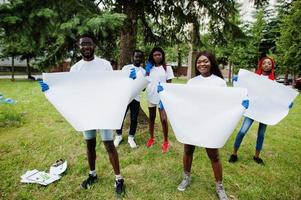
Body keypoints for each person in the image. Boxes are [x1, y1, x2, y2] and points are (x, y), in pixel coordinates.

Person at [38, 34, 131, 195]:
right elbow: (70, 91)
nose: (86, 46)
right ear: (79, 47)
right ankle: (92, 174)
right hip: (86, 111)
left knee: (109, 144)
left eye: (89, 44)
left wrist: (128, 80)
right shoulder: (76, 68)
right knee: (90, 144)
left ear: (94, 46)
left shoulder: (104, 64)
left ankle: (119, 179)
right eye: (83, 44)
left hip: (104, 110)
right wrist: (51, 89)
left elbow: (114, 84)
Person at [172, 51, 229, 200]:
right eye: (199, 62)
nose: (202, 64)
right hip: (193, 122)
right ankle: (186, 177)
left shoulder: (220, 82)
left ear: (211, 63)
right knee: (188, 150)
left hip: (210, 123)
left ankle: (219, 186)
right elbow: (184, 101)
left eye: (205, 61)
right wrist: (165, 93)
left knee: (214, 155)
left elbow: (225, 103)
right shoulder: (192, 82)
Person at [228, 56, 276, 165]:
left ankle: (257, 156)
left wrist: (287, 103)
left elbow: (277, 97)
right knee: (242, 131)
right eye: (264, 63)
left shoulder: (273, 81)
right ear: (261, 65)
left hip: (264, 111)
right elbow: (245, 85)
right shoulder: (254, 78)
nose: (267, 65)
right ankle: (234, 154)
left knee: (261, 134)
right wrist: (237, 79)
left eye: (269, 63)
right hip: (252, 109)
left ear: (272, 66)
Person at [114, 50, 146, 148]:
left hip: (136, 98)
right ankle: (118, 136)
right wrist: (129, 78)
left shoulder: (143, 71)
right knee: (120, 117)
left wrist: (141, 80)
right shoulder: (126, 68)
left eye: (140, 57)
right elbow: (121, 82)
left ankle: (131, 137)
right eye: (136, 57)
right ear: (132, 57)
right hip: (125, 97)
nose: (138, 59)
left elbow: (143, 88)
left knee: (134, 118)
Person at [145, 47, 174, 153]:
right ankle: (151, 138)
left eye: (159, 54)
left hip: (162, 97)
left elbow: (169, 85)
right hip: (151, 95)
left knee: (164, 119)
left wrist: (165, 96)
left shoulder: (167, 68)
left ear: (162, 56)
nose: (157, 56)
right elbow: (145, 81)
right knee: (151, 118)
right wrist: (146, 72)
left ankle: (166, 141)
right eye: (155, 55)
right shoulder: (149, 68)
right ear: (152, 56)